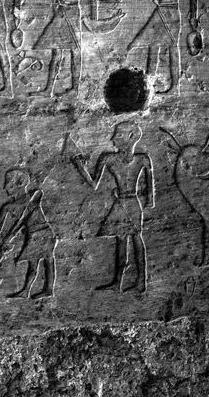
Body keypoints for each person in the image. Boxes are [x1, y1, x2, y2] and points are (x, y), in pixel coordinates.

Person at [72, 122, 155, 293]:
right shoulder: (108, 158)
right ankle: (119, 281)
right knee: (121, 241)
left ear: (130, 137)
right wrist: (80, 167)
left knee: (136, 238)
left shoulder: (142, 159)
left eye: (117, 135)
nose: (112, 139)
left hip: (132, 202)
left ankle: (141, 281)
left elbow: (150, 185)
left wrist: (149, 201)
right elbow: (94, 184)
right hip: (120, 202)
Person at [0, 169, 57, 299]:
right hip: (33, 234)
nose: (5, 187)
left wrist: (10, 238)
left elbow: (22, 219)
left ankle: (47, 289)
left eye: (10, 184)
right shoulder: (8, 207)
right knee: (34, 264)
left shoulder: (33, 197)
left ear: (20, 184)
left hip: (43, 233)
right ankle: (28, 290)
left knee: (46, 262)